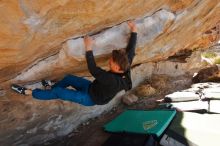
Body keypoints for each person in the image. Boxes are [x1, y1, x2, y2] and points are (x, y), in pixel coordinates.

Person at [11, 21, 137, 106]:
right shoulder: (125, 65)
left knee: (59, 93)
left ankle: (30, 93)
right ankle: (50, 88)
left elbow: (93, 69)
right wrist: (134, 30)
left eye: (110, 62)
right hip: (92, 87)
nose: (109, 62)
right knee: (69, 78)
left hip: (90, 98)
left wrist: (88, 47)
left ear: (116, 67)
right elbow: (131, 50)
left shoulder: (112, 81)